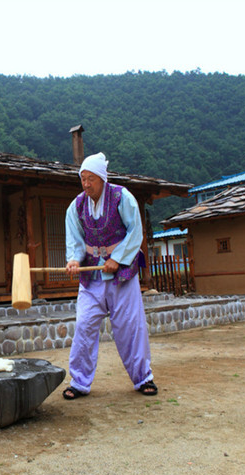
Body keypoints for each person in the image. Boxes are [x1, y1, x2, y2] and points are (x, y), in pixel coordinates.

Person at [63, 152, 158, 400]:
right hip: (92, 276)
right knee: (84, 326)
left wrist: (117, 259)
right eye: (82, 179)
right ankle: (79, 382)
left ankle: (143, 378)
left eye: (90, 179)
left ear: (102, 178)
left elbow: (136, 231)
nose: (86, 184)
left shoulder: (121, 197)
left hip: (122, 275)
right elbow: (74, 239)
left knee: (130, 327)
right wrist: (73, 260)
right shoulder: (77, 205)